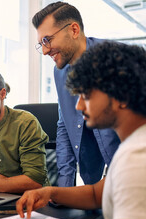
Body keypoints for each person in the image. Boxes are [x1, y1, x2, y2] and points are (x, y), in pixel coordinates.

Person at [0, 42, 146, 219]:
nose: (78, 106)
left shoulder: (137, 159)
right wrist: (51, 192)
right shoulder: (133, 146)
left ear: (122, 96)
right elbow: (97, 194)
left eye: (86, 95)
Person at [32, 1, 120, 187]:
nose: (45, 50)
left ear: (73, 30)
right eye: (41, 44)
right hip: (97, 179)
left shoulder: (117, 59)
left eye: (48, 40)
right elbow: (65, 125)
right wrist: (64, 189)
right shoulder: (59, 72)